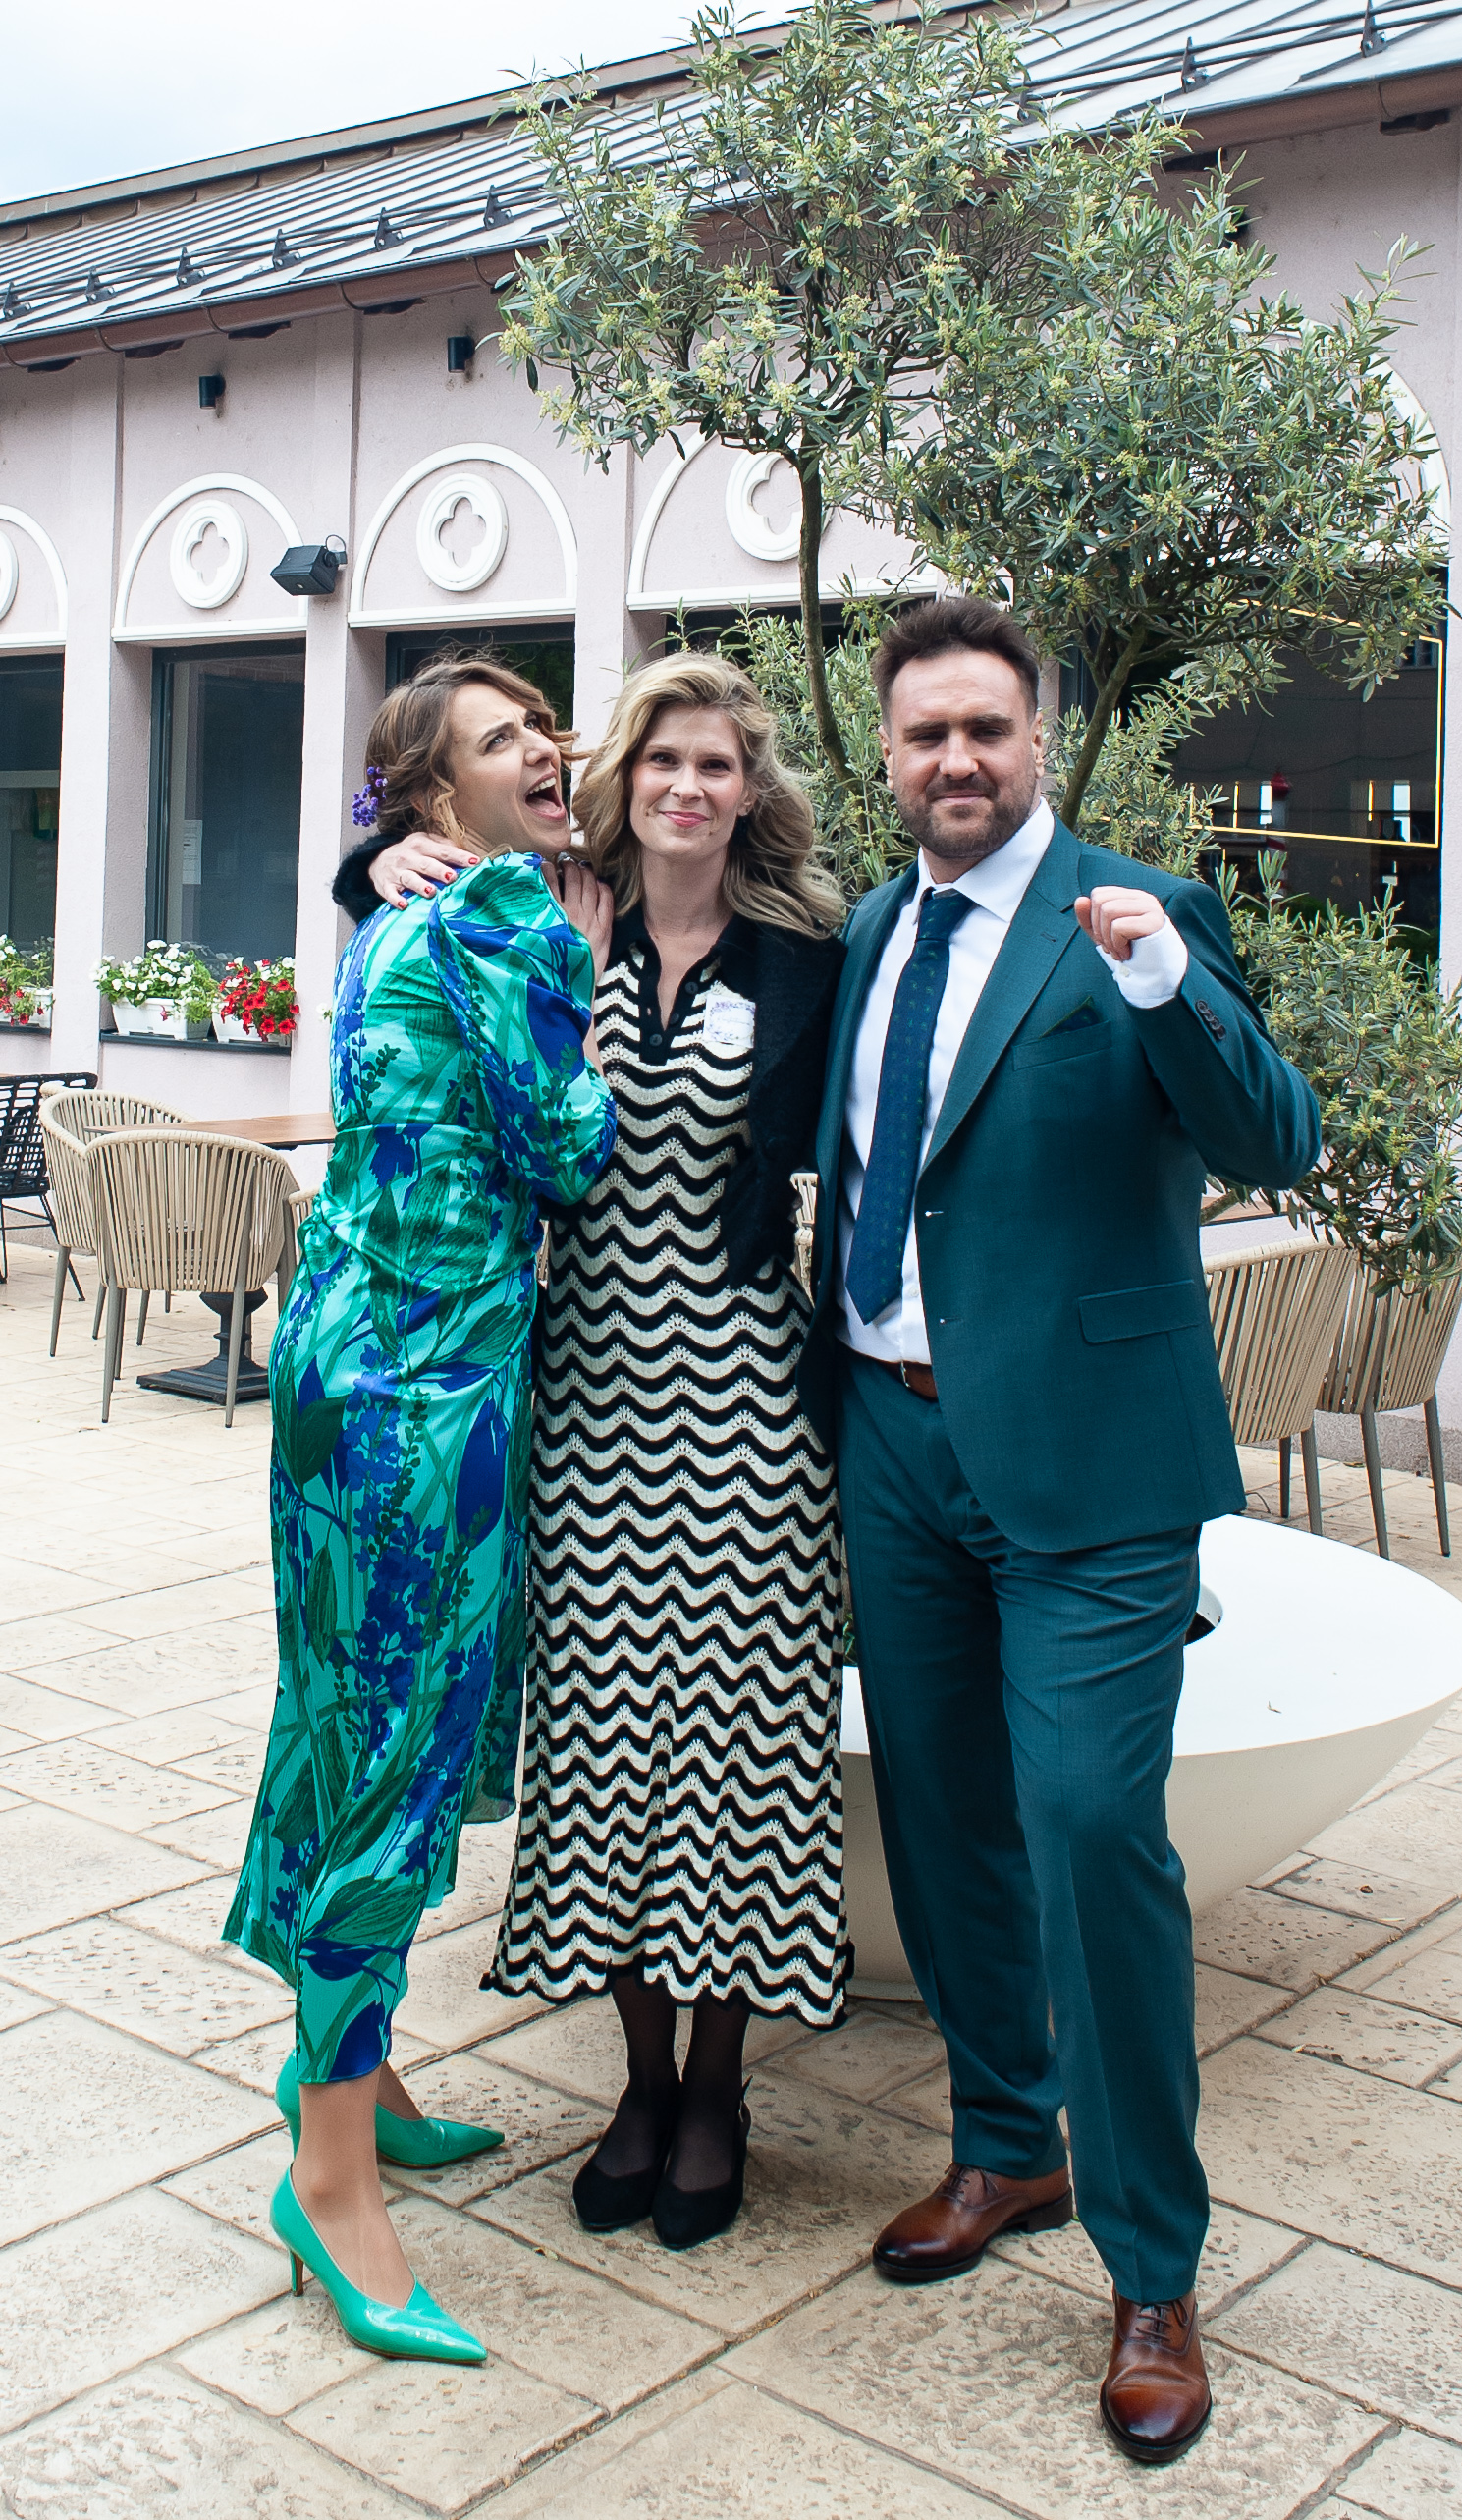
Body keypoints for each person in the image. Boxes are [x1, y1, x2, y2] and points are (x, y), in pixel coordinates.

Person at [796, 598, 1320, 2466]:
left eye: (988, 729)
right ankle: (1007, 2141)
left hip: (1094, 1467)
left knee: (1095, 1829)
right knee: (943, 1817)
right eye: (925, 733)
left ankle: (1153, 2268)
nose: (957, 759)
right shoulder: (874, 926)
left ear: (1040, 736)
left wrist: (1171, 985)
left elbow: (1276, 1138)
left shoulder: (1140, 913)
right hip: (894, 1438)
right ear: (888, 753)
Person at [339, 649, 847, 2252]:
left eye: (719, 764)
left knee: (741, 1751)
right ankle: (638, 2080)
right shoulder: (550, 914)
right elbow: (412, 932)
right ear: (626, 776)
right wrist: (366, 862)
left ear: (749, 792)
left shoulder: (806, 955)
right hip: (581, 1396)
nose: (688, 786)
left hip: (750, 1401)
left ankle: (720, 2089)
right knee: (605, 1746)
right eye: (663, 760)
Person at [225, 657, 617, 2362]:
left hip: (331, 1364)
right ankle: (329, 2181)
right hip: (429, 1389)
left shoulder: (390, 917)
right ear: (433, 795)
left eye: (540, 726)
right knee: (395, 1754)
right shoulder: (512, 916)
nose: (541, 749)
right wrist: (582, 975)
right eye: (498, 739)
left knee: (331, 1719)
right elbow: (569, 1151)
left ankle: (358, 2082)